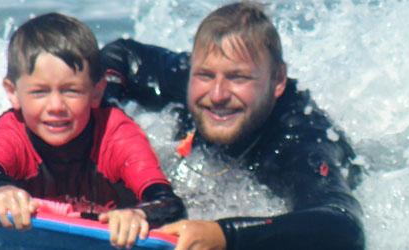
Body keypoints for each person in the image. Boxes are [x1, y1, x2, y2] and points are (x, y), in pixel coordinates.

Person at [100, 2, 365, 249]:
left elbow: (344, 225)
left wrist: (224, 234)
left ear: (278, 80)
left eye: (238, 77)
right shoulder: (190, 78)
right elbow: (122, 54)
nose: (217, 95)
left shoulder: (299, 140)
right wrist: (105, 115)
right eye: (204, 75)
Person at [0, 13, 186, 249]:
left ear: (97, 91)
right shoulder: (11, 131)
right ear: (13, 92)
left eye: (71, 91)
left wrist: (140, 215)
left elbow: (169, 203)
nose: (56, 107)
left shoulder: (117, 133)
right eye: (39, 92)